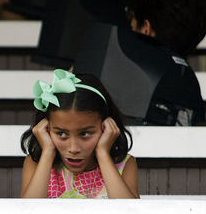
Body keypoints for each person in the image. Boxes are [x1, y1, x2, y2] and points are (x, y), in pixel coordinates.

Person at [19, 70, 139, 199]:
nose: (74, 148)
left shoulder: (124, 165)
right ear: (46, 129)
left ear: (106, 128)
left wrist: (103, 153)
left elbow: (128, 213)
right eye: (61, 134)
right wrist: (48, 152)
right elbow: (28, 212)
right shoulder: (37, 163)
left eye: (85, 134)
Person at [125, 0, 206, 58]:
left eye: (132, 28)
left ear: (145, 29)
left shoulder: (124, 70)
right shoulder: (185, 72)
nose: (130, 34)